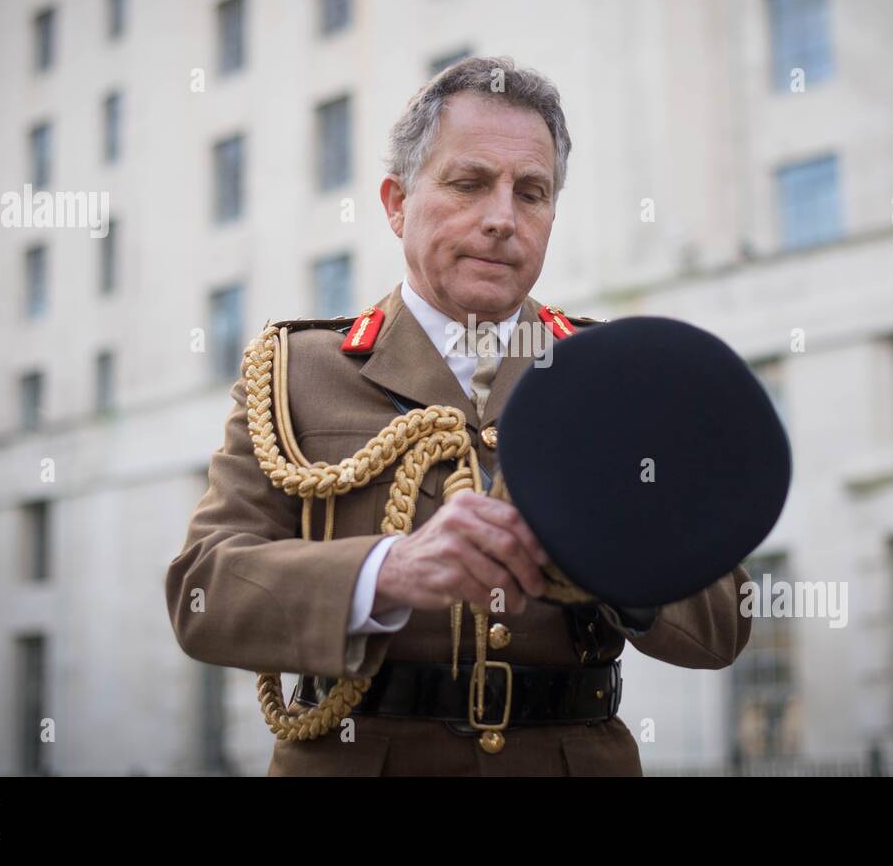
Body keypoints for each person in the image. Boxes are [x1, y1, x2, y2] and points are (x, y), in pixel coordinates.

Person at [165, 55, 752, 776]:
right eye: (469, 183)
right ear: (395, 203)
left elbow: (726, 622)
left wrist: (607, 549)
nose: (502, 219)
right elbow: (203, 595)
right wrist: (386, 572)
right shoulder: (294, 372)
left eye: (531, 193)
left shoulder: (616, 374)